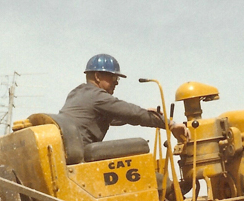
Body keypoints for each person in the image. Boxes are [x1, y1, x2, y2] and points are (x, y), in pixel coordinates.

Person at [59, 53, 188, 146]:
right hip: (81, 154)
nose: (116, 83)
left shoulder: (76, 93)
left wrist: (149, 115)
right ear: (98, 76)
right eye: (114, 78)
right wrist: (171, 124)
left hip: (69, 152)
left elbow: (119, 116)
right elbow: (132, 113)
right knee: (140, 147)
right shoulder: (98, 97)